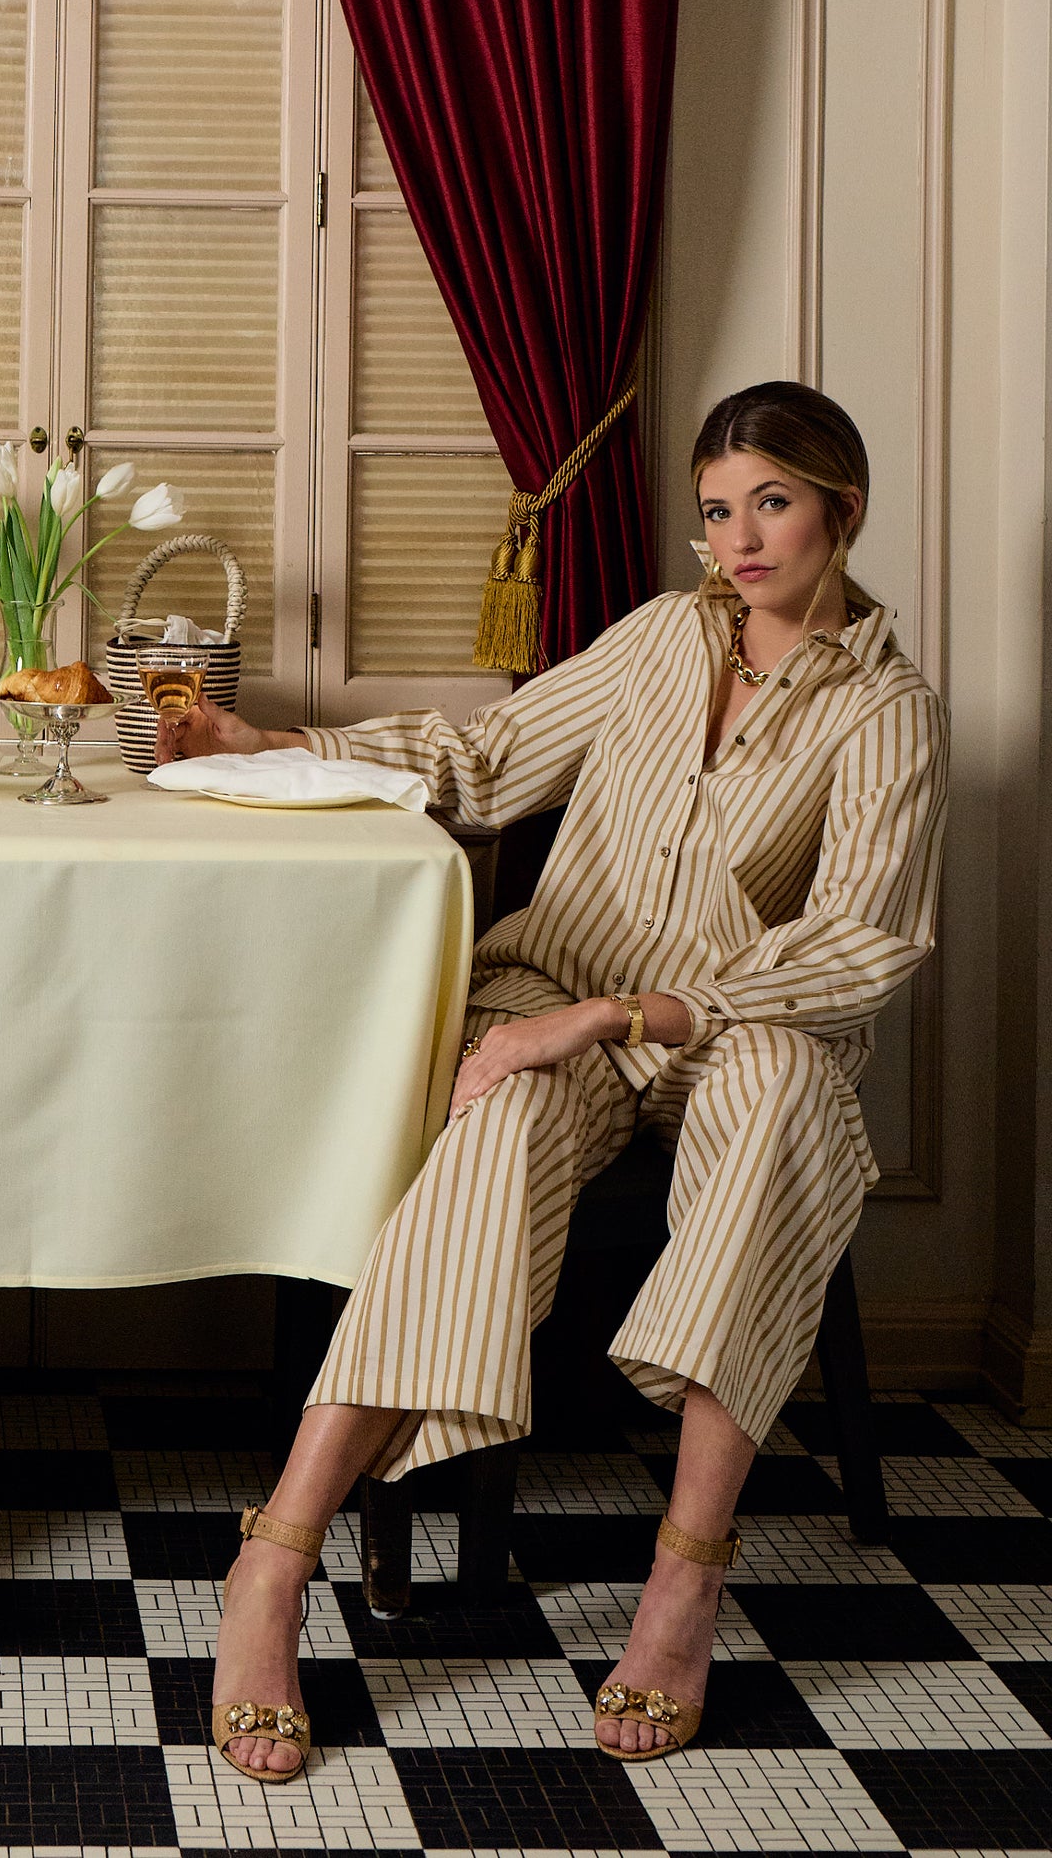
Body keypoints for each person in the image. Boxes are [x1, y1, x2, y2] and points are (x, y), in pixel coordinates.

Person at [157, 381, 946, 1779]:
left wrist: (638, 1010)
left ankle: (684, 1578)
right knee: (493, 1118)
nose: (742, 537)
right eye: (718, 507)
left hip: (730, 1034)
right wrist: (274, 745)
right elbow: (488, 755)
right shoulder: (656, 637)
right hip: (555, 1006)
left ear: (844, 508)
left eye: (772, 501)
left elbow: (865, 940)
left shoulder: (886, 708)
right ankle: (273, 1561)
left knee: (773, 1098)